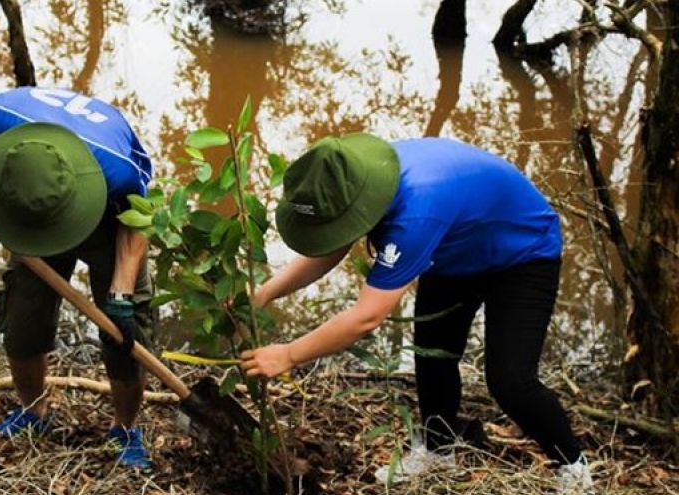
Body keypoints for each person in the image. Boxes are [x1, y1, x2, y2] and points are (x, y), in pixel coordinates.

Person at [239, 134, 593, 491]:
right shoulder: (358, 180)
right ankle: (439, 453)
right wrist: (266, 293)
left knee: (511, 382)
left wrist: (288, 354)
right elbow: (336, 241)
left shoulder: (415, 213)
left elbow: (367, 317)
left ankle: (574, 469)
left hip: (523, 253)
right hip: (455, 248)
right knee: (433, 357)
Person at [0, 87, 155, 469]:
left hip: (112, 219)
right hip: (34, 213)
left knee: (125, 334)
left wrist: (120, 294)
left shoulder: (116, 167)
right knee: (23, 314)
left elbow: (141, 217)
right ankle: (34, 413)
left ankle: (124, 429)